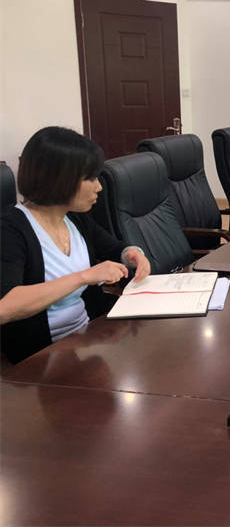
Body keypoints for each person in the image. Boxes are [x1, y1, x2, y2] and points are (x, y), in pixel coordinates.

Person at [0, 126, 151, 363]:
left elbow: (114, 248)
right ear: (59, 179)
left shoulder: (74, 217)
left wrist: (132, 254)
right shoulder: (10, 230)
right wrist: (84, 277)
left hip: (89, 338)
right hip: (42, 358)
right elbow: (5, 306)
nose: (99, 187)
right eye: (90, 178)